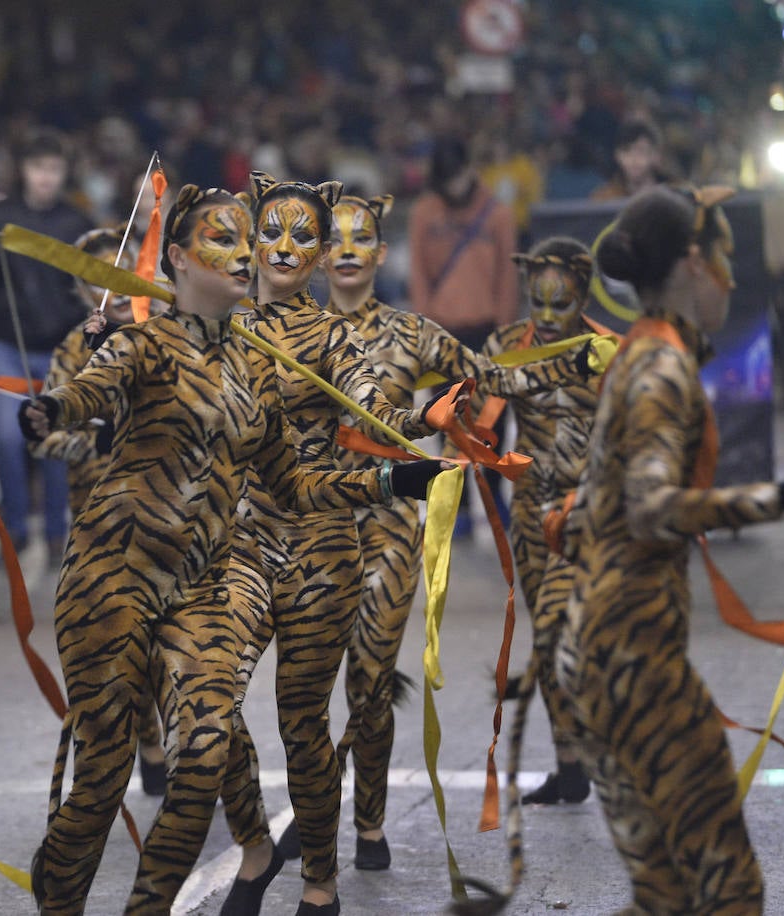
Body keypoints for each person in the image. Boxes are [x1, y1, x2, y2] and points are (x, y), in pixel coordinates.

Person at [18, 185, 449, 915]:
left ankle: (307, 883)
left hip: (263, 567)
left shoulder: (281, 356)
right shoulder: (167, 338)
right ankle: (215, 854)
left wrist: (402, 460)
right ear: (183, 258)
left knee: (238, 744)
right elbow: (100, 387)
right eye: (248, 236)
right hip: (163, 565)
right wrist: (59, 404)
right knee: (125, 764)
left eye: (286, 237)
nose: (264, 250)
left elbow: (322, 455)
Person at [558, 185, 784, 913]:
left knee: (662, 896)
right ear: (694, 262)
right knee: (729, 889)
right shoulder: (660, 368)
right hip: (632, 661)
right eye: (725, 255)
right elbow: (651, 508)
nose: (731, 276)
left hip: (595, 654)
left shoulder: (642, 354)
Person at [321, 203, 603, 871]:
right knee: (302, 691)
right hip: (307, 520)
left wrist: (576, 361)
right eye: (334, 238)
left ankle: (367, 826)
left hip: (391, 519)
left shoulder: (413, 331)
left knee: (370, 677)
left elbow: (487, 381)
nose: (349, 249)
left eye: (363, 238)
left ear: (383, 252)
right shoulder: (287, 330)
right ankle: (312, 808)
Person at [219, 172, 443, 916]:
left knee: (301, 723)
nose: (284, 247)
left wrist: (416, 421)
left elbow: (371, 404)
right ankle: (256, 847)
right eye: (271, 232)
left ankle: (320, 880)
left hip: (320, 548)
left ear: (317, 255)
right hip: (240, 543)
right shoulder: (218, 325)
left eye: (302, 236)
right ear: (252, 240)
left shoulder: (335, 336)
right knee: (208, 701)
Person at [27, 226, 168, 794]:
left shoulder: (166, 334)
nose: (112, 286)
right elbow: (43, 438)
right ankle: (149, 742)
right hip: (101, 524)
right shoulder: (71, 349)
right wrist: (92, 440)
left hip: (167, 515)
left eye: (122, 271)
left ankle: (193, 751)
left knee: (174, 643)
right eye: (97, 278)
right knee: (124, 644)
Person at [467, 236, 605, 807]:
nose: (547, 315)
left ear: (584, 293)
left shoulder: (605, 353)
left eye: (561, 302)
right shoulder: (505, 345)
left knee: (563, 630)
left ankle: (611, 750)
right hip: (530, 511)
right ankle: (569, 765)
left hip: (587, 512)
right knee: (546, 636)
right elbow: (474, 417)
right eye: (538, 301)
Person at [0, 130, 93, 561]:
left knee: (54, 442)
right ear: (24, 170)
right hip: (7, 345)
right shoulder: (1, 217)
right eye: (38, 168)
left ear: (64, 173)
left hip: (60, 348)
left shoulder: (76, 223)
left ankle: (57, 532)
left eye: (54, 169)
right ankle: (15, 529)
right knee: (9, 439)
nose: (46, 177)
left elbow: (88, 286)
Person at [407, 136, 518, 533]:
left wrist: (504, 332)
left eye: (457, 178)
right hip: (442, 332)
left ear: (470, 169)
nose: (453, 188)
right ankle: (462, 507)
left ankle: (494, 496)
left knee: (492, 420)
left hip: (486, 331)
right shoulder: (425, 213)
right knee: (447, 421)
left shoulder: (497, 214)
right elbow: (419, 273)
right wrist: (424, 329)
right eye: (446, 181)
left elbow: (508, 276)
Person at [590, 116, 668, 202]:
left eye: (640, 150)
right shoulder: (603, 198)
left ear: (655, 155)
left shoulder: (673, 194)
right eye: (626, 150)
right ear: (617, 155)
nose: (633, 159)